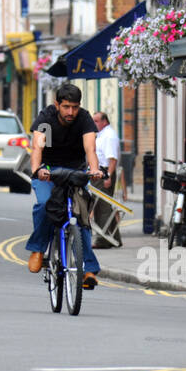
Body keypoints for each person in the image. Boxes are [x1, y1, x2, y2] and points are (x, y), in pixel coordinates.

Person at [25, 82, 102, 290]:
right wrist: (37, 170)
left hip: (75, 171)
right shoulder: (46, 119)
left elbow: (90, 149)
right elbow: (36, 148)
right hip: (48, 172)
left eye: (75, 107)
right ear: (57, 104)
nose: (71, 112)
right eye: (66, 107)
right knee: (45, 205)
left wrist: (94, 170)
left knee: (81, 215)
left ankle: (89, 270)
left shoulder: (84, 119)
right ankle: (38, 249)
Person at [91, 111, 122, 247]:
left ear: (105, 121)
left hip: (104, 173)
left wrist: (108, 176)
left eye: (97, 121)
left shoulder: (109, 136)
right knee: (102, 205)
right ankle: (114, 238)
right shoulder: (102, 134)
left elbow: (113, 159)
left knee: (102, 206)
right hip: (98, 173)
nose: (94, 123)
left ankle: (103, 240)